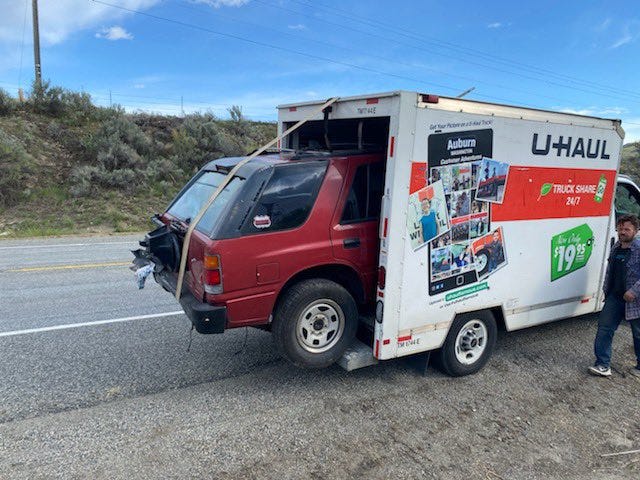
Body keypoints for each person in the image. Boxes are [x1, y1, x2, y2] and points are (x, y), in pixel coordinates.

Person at [589, 214, 640, 377]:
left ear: (636, 231)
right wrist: (606, 290)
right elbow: (610, 272)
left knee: (638, 333)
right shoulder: (616, 247)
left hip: (635, 300)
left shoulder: (638, 249)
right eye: (620, 228)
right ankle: (603, 364)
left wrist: (634, 291)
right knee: (604, 329)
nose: (623, 232)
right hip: (614, 297)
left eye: (627, 229)